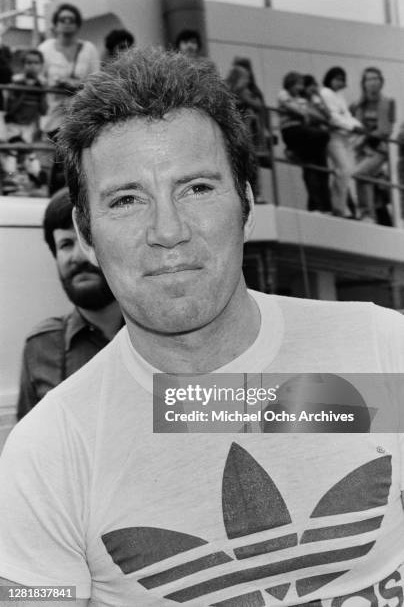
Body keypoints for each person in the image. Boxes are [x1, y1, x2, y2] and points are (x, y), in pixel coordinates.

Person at [0, 47, 404, 606]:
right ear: (86, 234)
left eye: (197, 188)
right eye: (125, 199)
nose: (168, 230)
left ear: (246, 201)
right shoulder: (51, 452)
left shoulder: (380, 354)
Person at [17, 188, 123, 420]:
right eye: (65, 244)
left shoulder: (165, 335)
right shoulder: (41, 347)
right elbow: (30, 450)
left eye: (87, 241)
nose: (78, 256)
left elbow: (199, 433)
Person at [38, 2, 99, 194]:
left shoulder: (88, 48)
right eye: (62, 20)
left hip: (79, 113)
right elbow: (37, 77)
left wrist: (75, 84)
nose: (66, 24)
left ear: (78, 25)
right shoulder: (46, 48)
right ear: (55, 24)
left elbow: (96, 78)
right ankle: (56, 198)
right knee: (57, 159)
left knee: (75, 159)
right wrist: (56, 83)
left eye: (71, 20)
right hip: (52, 113)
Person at [278, 71, 331, 213]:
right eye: (298, 84)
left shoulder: (301, 99)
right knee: (322, 137)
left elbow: (321, 115)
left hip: (304, 132)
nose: (300, 88)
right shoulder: (284, 94)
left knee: (316, 166)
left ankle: (322, 205)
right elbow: (296, 110)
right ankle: (317, 204)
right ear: (290, 83)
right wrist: (307, 114)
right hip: (292, 130)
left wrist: (315, 102)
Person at [350, 67, 395, 223]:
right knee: (365, 180)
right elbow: (353, 125)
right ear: (364, 83)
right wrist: (361, 141)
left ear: (381, 82)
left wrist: (365, 138)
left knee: (359, 173)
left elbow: (385, 130)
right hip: (361, 149)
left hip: (378, 149)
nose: (373, 83)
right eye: (369, 79)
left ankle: (366, 213)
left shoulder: (387, 102)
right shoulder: (357, 105)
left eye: (376, 79)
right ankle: (369, 215)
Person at [320, 66, 363, 217]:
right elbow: (333, 116)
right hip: (334, 135)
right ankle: (339, 206)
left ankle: (340, 205)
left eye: (342, 79)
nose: (340, 82)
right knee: (343, 170)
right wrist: (352, 126)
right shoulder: (325, 93)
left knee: (345, 171)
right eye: (337, 79)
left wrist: (358, 126)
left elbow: (347, 115)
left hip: (344, 137)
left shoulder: (339, 95)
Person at [5, 48, 47, 143]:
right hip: (13, 124)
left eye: (36, 63)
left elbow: (43, 111)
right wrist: (25, 91)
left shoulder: (41, 84)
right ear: (23, 65)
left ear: (41, 65)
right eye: (29, 63)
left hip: (29, 125)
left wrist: (42, 92)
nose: (32, 66)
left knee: (24, 152)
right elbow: (10, 109)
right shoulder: (16, 82)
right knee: (12, 149)